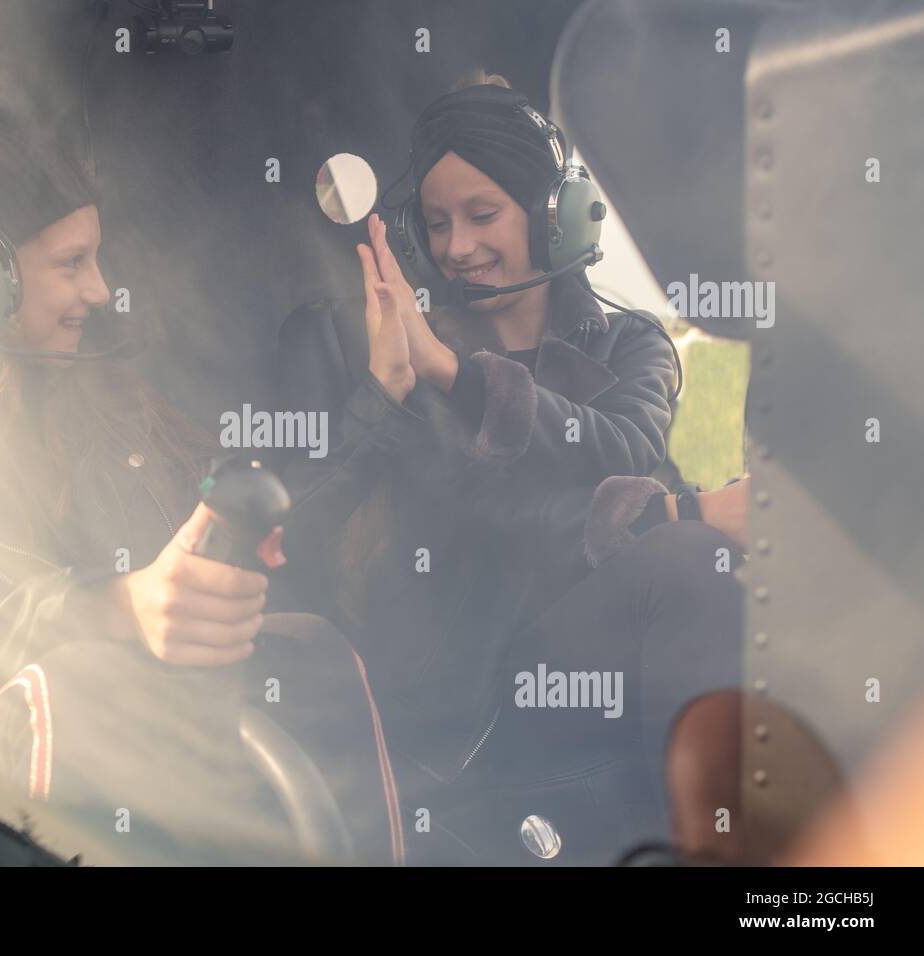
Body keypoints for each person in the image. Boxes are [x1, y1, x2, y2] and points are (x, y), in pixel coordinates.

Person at [0, 105, 402, 865]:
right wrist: (113, 609)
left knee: (313, 656)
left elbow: (235, 556)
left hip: (177, 807)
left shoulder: (108, 404)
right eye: (70, 263)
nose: (99, 291)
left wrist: (380, 404)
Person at [277, 76, 751, 863]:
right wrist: (412, 381)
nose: (457, 247)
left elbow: (623, 447)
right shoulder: (412, 354)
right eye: (435, 224)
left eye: (482, 214)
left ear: (552, 217)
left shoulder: (632, 344)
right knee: (688, 557)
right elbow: (476, 519)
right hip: (472, 678)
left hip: (597, 643)